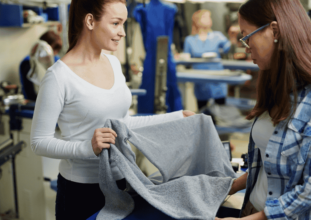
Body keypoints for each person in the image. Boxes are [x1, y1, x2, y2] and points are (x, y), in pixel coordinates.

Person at [29, 0, 195, 219]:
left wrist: (177, 117)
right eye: (116, 23)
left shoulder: (113, 64)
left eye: (123, 24)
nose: (122, 32)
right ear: (90, 21)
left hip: (121, 182)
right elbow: (38, 142)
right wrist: (87, 148)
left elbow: (123, 123)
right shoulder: (59, 77)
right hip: (81, 191)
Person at [216, 0, 311, 219]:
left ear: (274, 30)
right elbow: (268, 163)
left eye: (247, 36)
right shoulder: (277, 87)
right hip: (251, 208)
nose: (246, 45)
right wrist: (231, 186)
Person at [134, 0, 183, 114]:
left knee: (167, 87)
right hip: (154, 55)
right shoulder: (142, 10)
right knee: (153, 88)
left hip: (162, 53)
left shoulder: (169, 9)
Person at [183, 9, 231, 110]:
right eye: (205, 17)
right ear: (197, 20)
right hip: (200, 80)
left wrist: (233, 37)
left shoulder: (218, 36)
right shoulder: (189, 40)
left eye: (209, 17)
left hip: (217, 78)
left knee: (222, 111)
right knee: (203, 112)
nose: (209, 19)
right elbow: (186, 59)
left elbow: (228, 48)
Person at [19, 30, 62, 101]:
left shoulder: (56, 59)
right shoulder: (28, 63)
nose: (54, 54)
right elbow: (31, 92)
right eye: (53, 50)